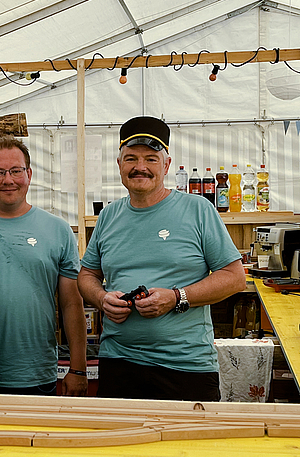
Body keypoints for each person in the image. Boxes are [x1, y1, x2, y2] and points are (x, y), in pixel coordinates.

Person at [77, 116, 246, 401]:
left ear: (166, 166)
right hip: (119, 363)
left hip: (186, 366)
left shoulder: (198, 210)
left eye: (151, 159)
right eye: (131, 158)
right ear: (119, 165)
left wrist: (176, 297)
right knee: (120, 444)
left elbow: (234, 277)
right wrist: (101, 298)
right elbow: (87, 275)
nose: (140, 167)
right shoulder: (108, 216)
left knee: (190, 445)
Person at [0, 136, 88, 396]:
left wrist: (78, 368)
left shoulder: (57, 229)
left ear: (29, 174)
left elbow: (72, 304)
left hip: (36, 373)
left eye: (16, 171)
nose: (8, 180)